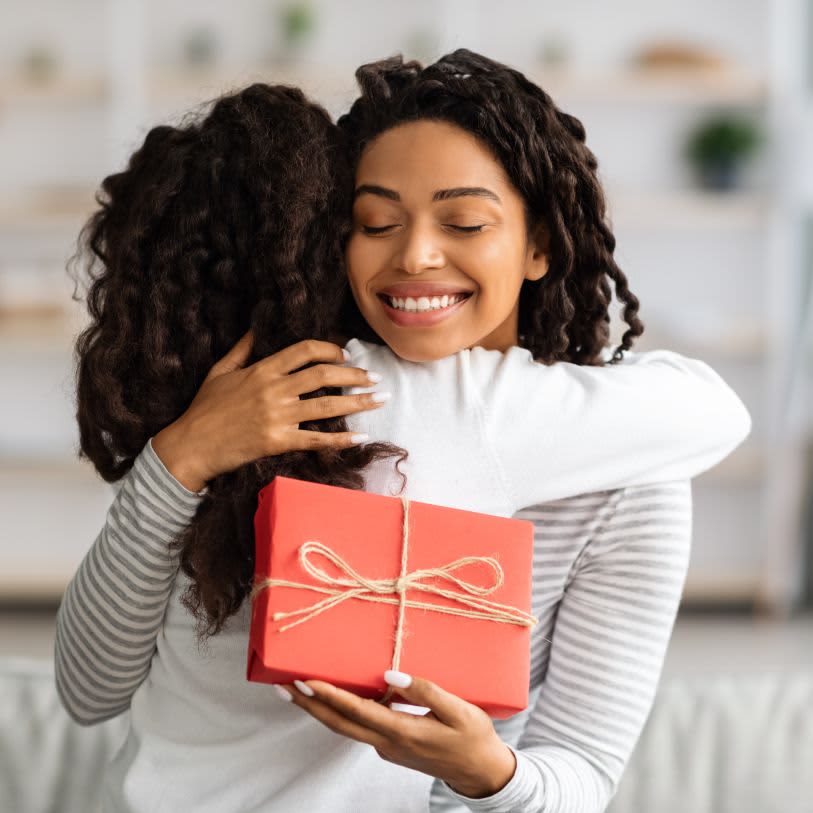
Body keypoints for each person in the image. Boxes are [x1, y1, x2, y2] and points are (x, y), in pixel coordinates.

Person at [55, 52, 749, 812]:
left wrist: (485, 774)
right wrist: (181, 456)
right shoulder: (287, 398)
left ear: (540, 244)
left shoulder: (624, 463)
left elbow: (579, 767)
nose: (414, 255)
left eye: (464, 221)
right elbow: (91, 686)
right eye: (374, 223)